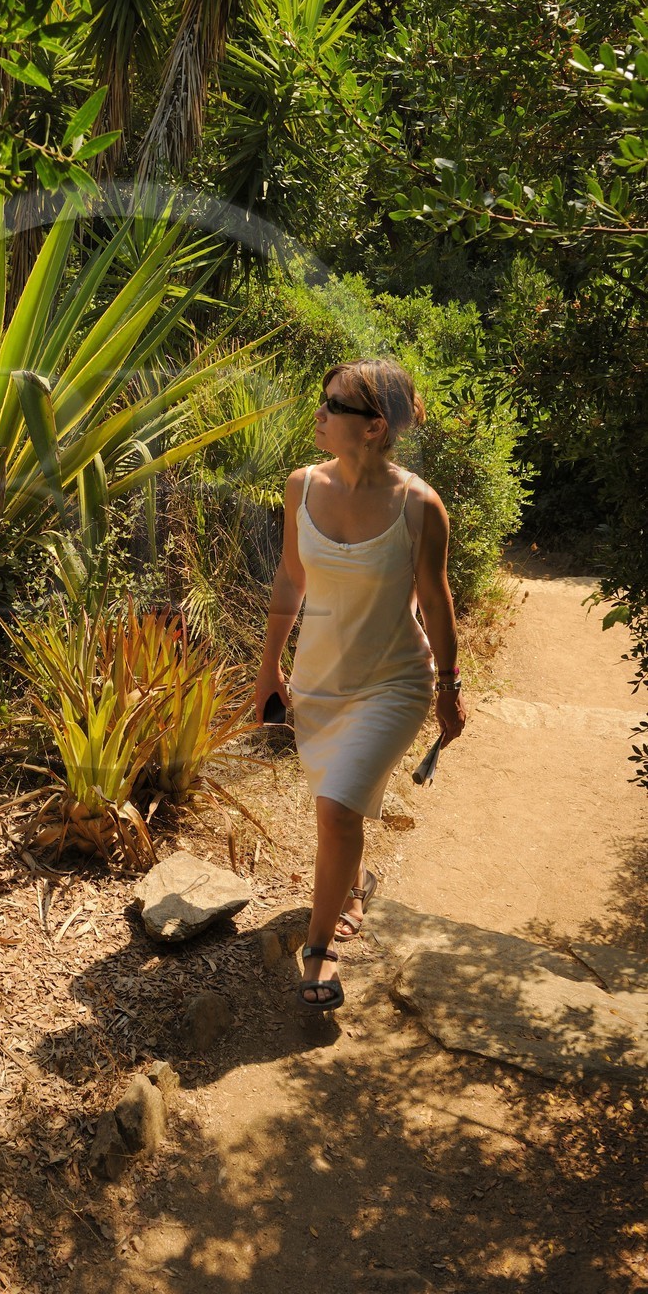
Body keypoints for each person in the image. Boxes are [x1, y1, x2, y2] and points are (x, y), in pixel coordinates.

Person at [254, 358, 467, 1013]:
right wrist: (269, 667)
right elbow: (292, 579)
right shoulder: (301, 487)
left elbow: (436, 600)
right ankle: (348, 892)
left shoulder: (418, 507)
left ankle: (318, 953)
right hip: (320, 682)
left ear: (374, 427)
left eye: (332, 405)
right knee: (338, 808)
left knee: (338, 810)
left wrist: (449, 687)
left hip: (394, 683)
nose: (317, 412)